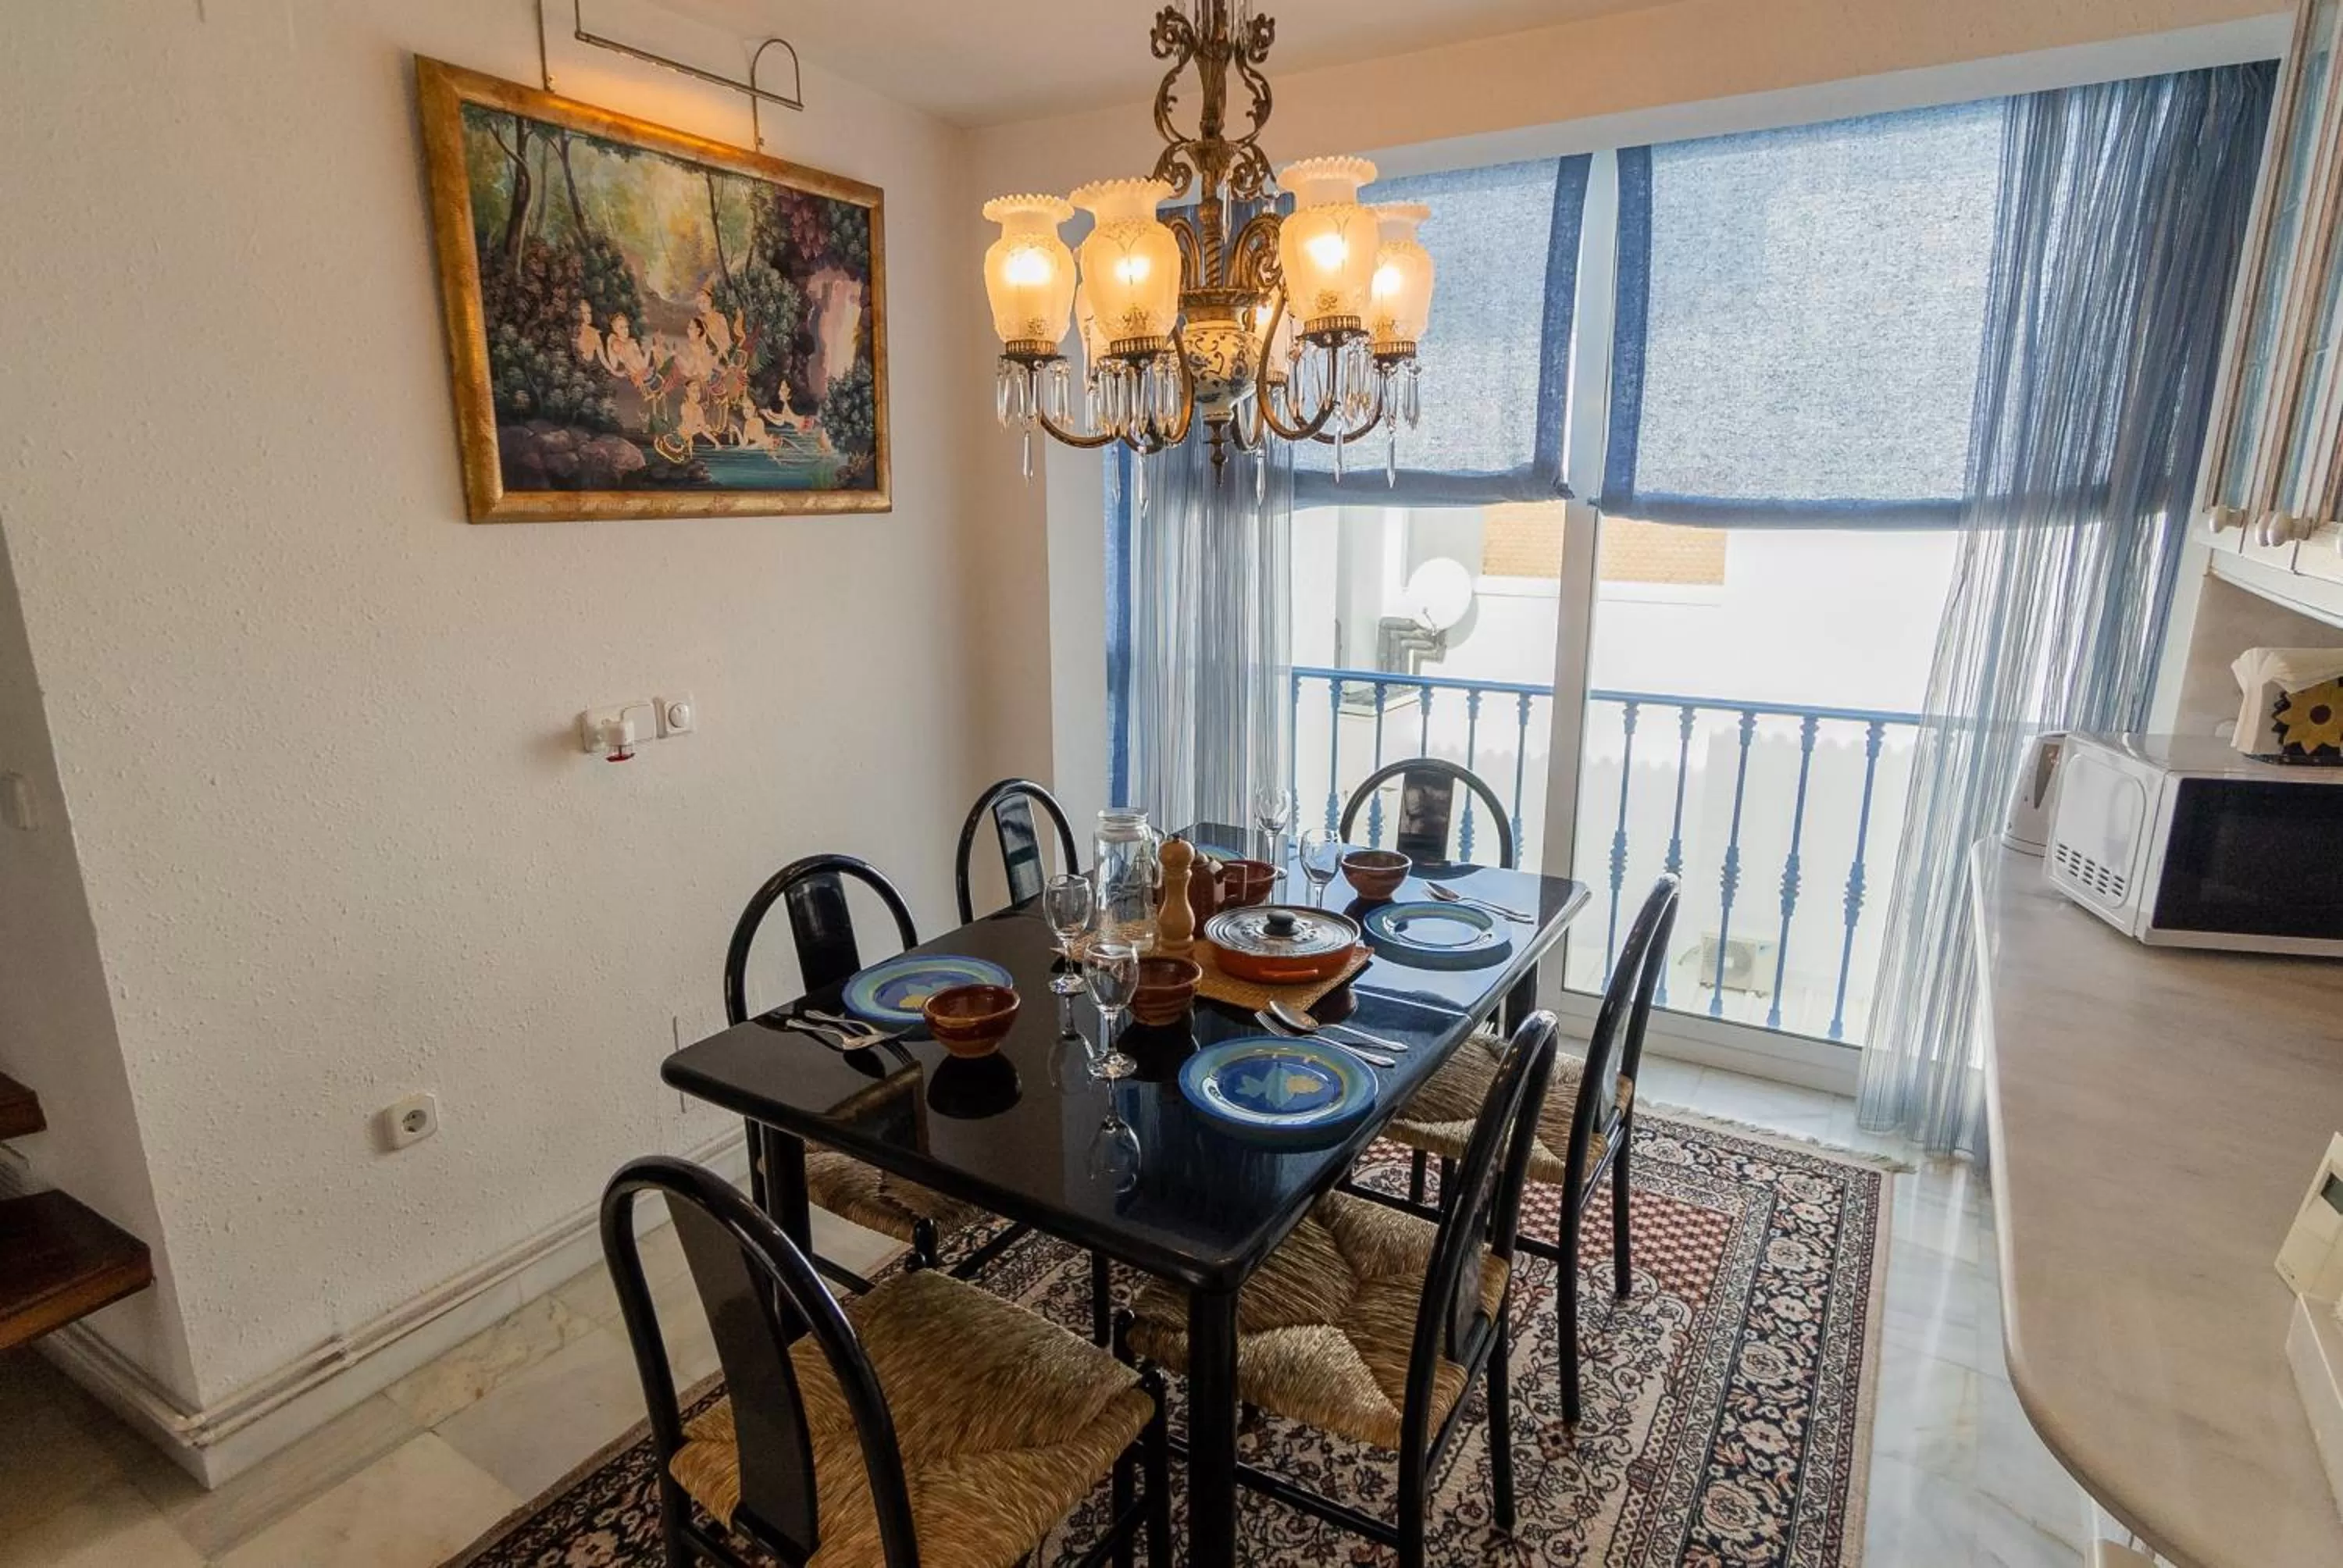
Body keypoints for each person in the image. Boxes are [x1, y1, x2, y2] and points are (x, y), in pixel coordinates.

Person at [571, 299, 602, 363]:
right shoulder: (575, 331)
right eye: (584, 313)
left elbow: (602, 357)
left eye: (589, 312)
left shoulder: (595, 332)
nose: (588, 316)